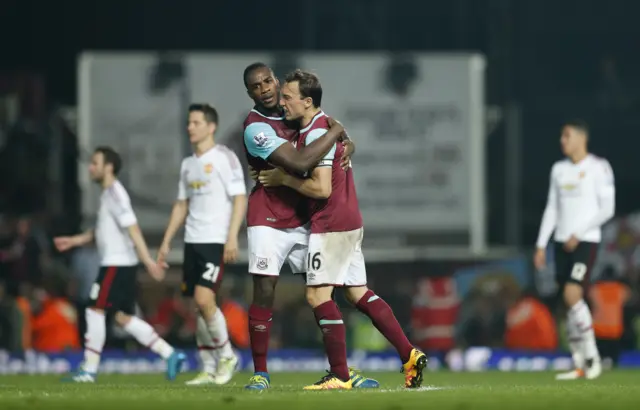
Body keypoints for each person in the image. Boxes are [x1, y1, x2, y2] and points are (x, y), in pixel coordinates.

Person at [257, 70, 427, 390]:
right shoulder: (326, 126)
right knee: (356, 292)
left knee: (317, 294)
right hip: (349, 219)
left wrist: (284, 180)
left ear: (307, 102)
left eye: (288, 97)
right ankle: (409, 354)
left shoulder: (315, 133)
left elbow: (321, 189)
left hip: (331, 222)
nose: (282, 103)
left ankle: (340, 374)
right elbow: (343, 141)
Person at [241, 62, 372, 390]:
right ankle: (260, 372)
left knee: (324, 292)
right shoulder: (255, 127)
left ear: (276, 79)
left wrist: (347, 141)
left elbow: (332, 137)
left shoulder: (293, 114)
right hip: (267, 219)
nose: (265, 89)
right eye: (256, 87)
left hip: (300, 217)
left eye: (268, 81)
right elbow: (300, 162)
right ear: (250, 93)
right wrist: (335, 131)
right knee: (265, 290)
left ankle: (341, 371)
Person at [55, 146, 186, 383]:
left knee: (94, 310)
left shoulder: (115, 193)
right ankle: (171, 353)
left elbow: (132, 227)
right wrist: (75, 240)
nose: (90, 167)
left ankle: (89, 370)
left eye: (95, 163)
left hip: (115, 265)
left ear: (109, 167)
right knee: (122, 318)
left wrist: (148, 261)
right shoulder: (108, 194)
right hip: (122, 264)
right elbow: (103, 230)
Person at [157, 103, 247, 385]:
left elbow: (240, 197)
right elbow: (181, 205)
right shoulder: (188, 164)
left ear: (211, 127)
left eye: (196, 122)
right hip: (192, 241)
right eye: (189, 122)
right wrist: (166, 241)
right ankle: (208, 367)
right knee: (198, 307)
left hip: (214, 239)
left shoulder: (224, 157)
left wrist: (232, 236)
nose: (190, 127)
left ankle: (228, 355)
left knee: (203, 299)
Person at [534, 120, 615, 380]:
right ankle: (579, 363)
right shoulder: (559, 170)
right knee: (567, 305)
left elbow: (607, 208)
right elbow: (552, 208)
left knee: (572, 293)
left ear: (582, 138)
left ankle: (592, 357)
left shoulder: (599, 167)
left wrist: (579, 234)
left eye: (567, 136)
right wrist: (540, 244)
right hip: (560, 243)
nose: (562, 141)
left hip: (585, 241)